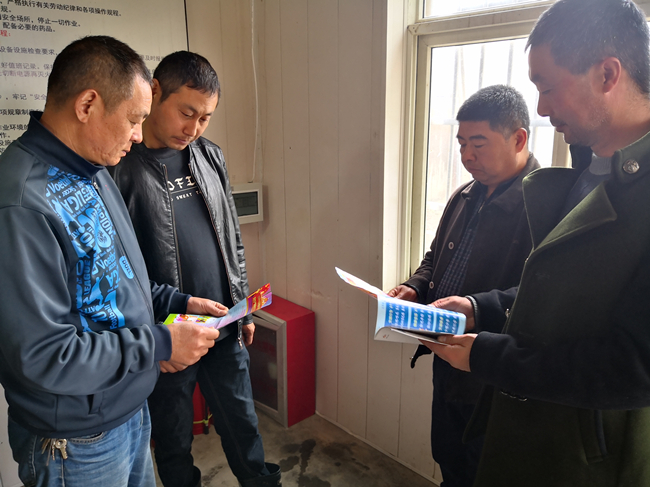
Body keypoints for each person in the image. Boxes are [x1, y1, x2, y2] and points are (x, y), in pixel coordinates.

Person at [426, 1, 650, 485]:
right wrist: (481, 307)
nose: (544, 108)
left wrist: (489, 357)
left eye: (547, 87)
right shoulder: (588, 169)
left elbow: (633, 367)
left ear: (607, 74)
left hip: (586, 458)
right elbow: (551, 293)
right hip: (528, 429)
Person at [0, 36, 229, 487]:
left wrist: (175, 302)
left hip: (127, 407)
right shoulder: (22, 203)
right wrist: (159, 345)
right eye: (133, 119)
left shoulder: (94, 169)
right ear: (88, 104)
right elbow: (45, 356)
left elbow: (115, 279)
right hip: (77, 441)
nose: (139, 135)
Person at [110, 51, 281, 487]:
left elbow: (231, 236)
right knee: (172, 440)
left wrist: (243, 307)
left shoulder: (209, 156)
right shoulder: (118, 166)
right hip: (168, 332)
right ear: (154, 92)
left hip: (222, 321)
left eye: (205, 118)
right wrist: (151, 333)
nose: (194, 129)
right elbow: (116, 270)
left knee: (243, 426)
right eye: (187, 113)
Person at [387, 85, 539, 487]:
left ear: (519, 139)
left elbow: (542, 297)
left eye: (478, 144)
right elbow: (435, 256)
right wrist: (416, 286)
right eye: (461, 144)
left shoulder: (543, 206)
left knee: (485, 468)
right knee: (448, 456)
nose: (466, 156)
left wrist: (475, 307)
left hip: (493, 372)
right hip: (446, 356)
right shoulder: (465, 194)